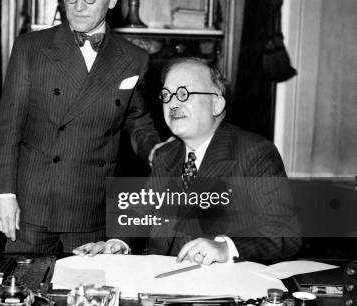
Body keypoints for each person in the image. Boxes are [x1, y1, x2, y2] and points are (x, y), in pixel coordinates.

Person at [0, 0, 160, 253]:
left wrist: (156, 151)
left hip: (91, 207)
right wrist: (4, 194)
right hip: (32, 207)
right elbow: (9, 128)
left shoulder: (134, 59)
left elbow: (137, 122)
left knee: (86, 298)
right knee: (23, 293)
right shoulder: (31, 48)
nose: (78, 5)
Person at [74, 57, 301, 263]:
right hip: (160, 281)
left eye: (184, 94)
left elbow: (286, 235)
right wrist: (117, 244)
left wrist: (226, 247)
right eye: (166, 95)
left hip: (219, 290)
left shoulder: (254, 153)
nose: (173, 103)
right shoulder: (166, 155)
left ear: (217, 104)